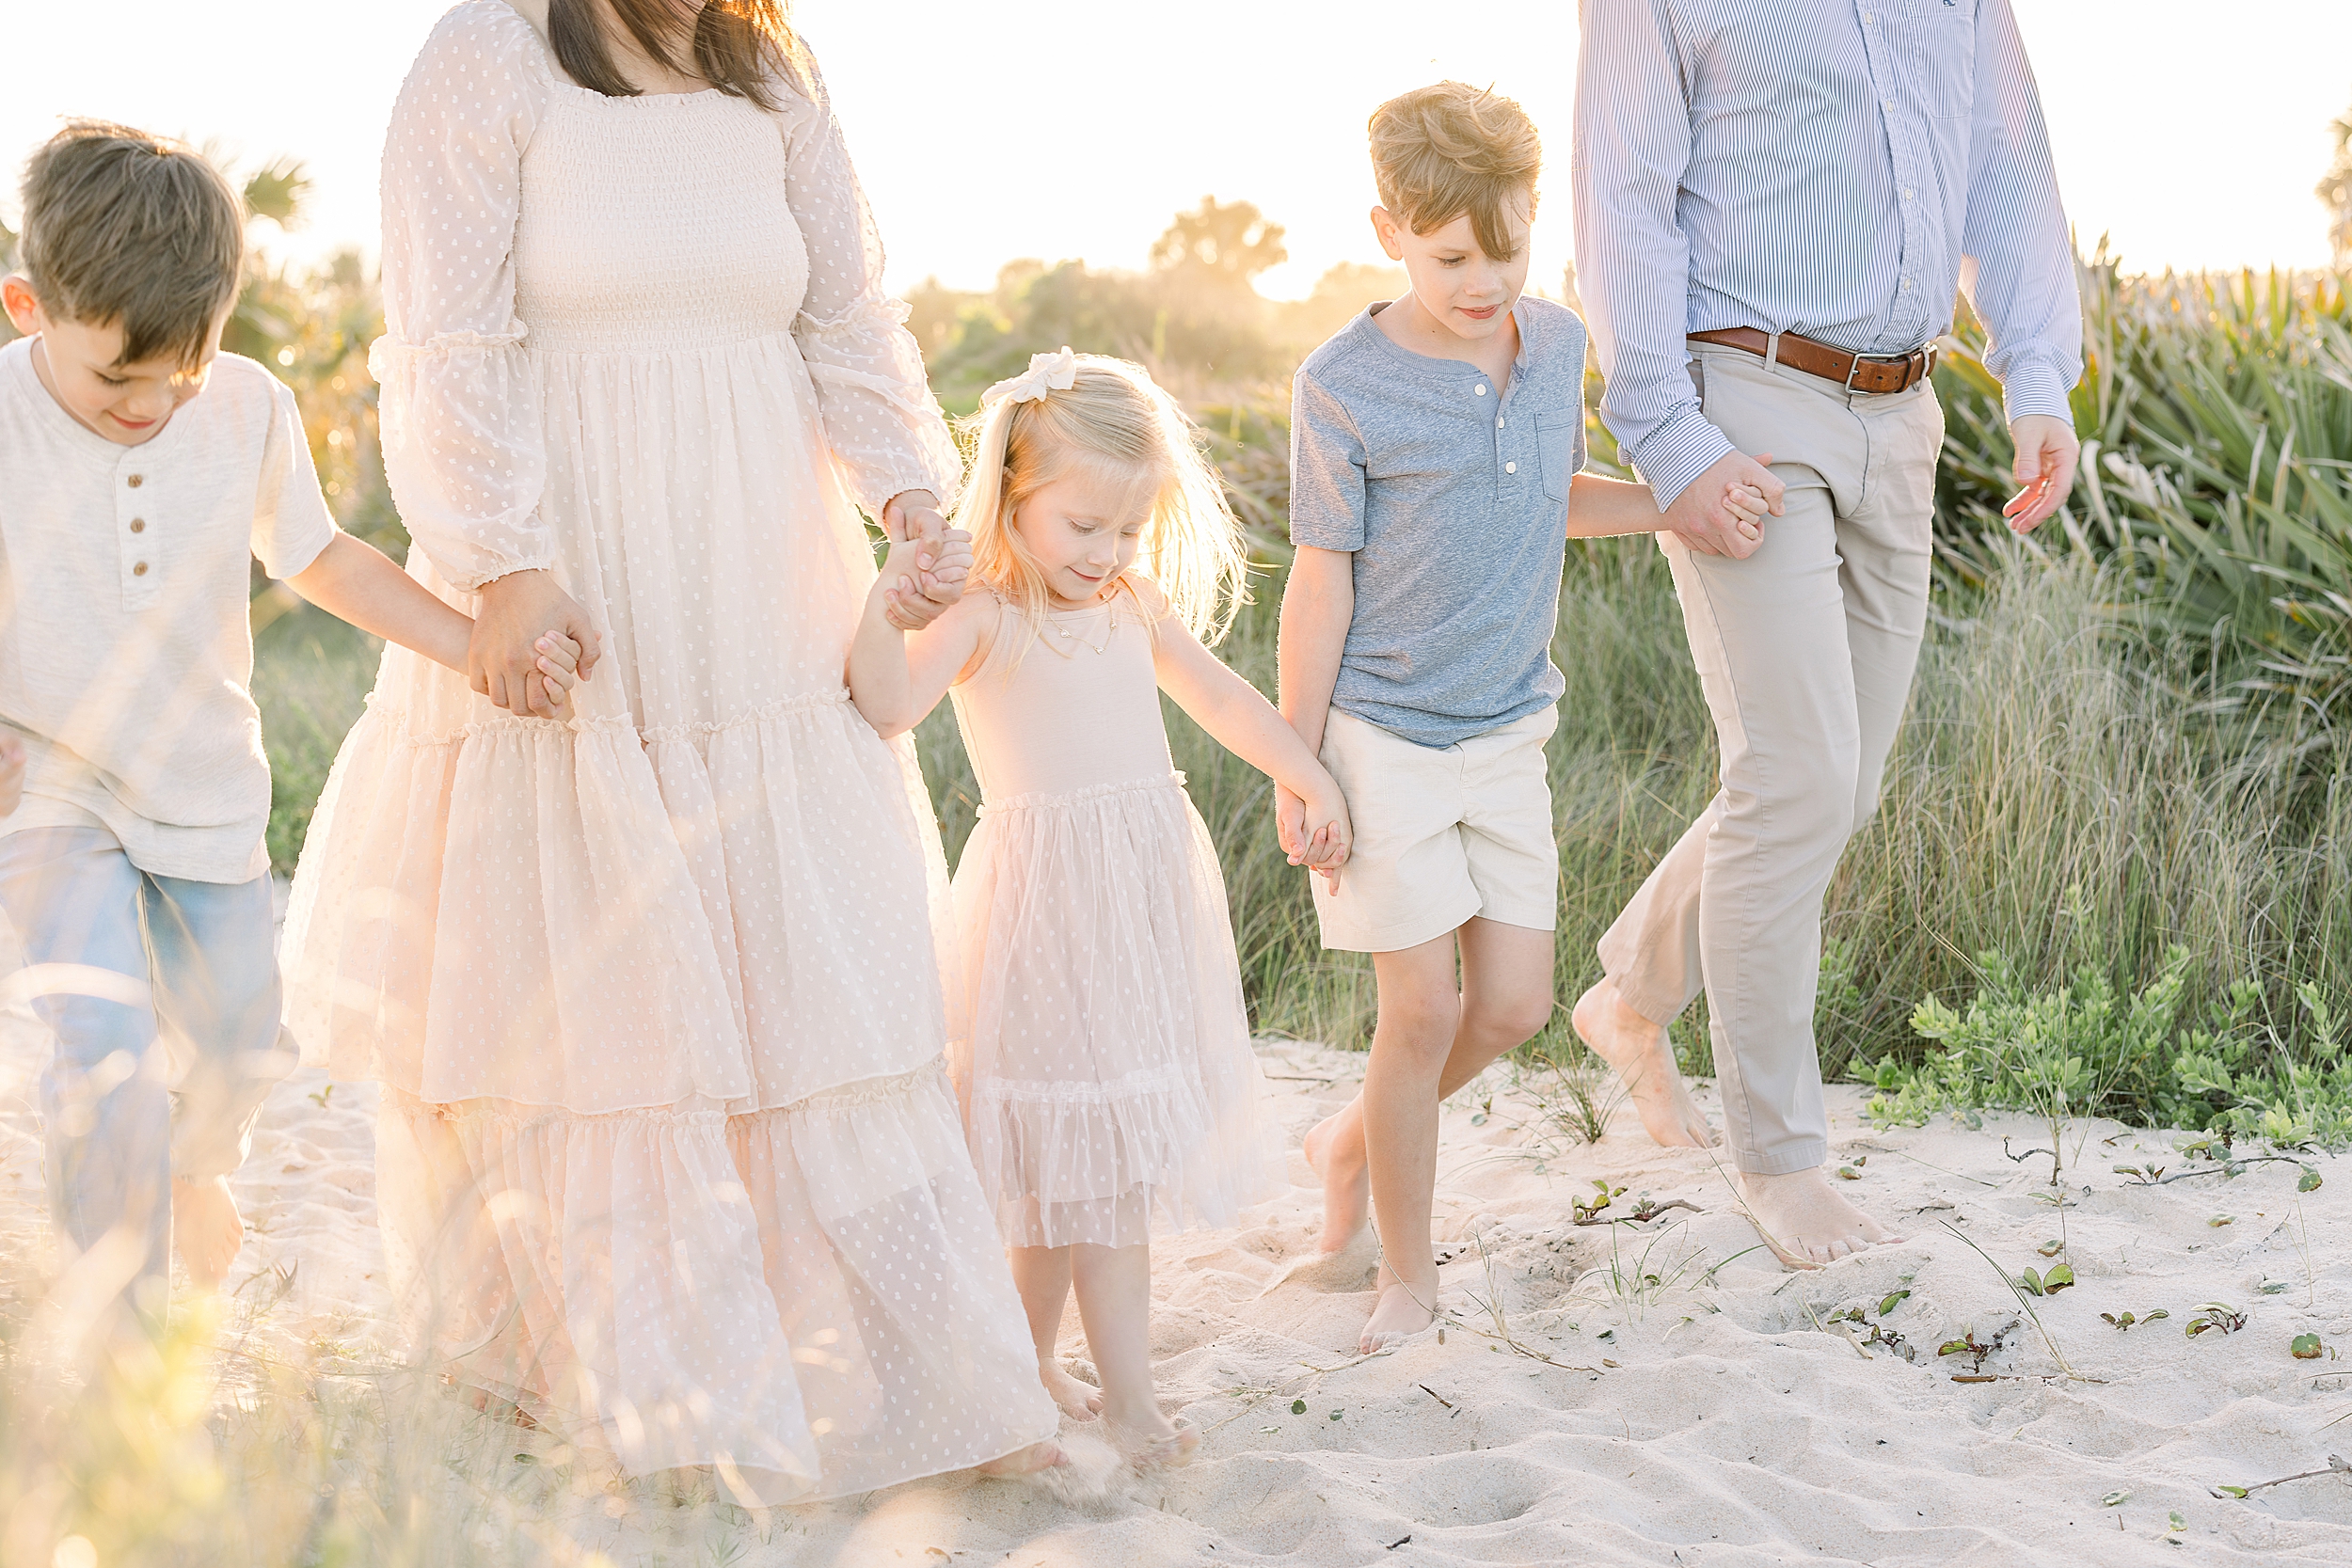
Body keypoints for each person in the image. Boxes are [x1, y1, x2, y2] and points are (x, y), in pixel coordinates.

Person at [278, 0, 1059, 1497]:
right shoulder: (486, 56)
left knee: (803, 948)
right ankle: (629, 1376)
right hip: (580, 561)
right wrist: (503, 558)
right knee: (599, 977)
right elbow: (446, 341)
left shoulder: (772, 68)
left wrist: (907, 497)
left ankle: (864, 1368)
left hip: (762, 564)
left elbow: (847, 314)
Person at [0, 122, 562, 1323]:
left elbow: (320, 559)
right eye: (117, 380)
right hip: (49, 783)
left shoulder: (245, 406)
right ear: (27, 304)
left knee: (241, 1036)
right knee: (102, 1050)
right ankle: (123, 1339)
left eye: (181, 373)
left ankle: (195, 1169)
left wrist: (468, 645)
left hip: (204, 780)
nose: (153, 402)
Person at [1571, 0, 2082, 1265]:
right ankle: (1780, 1157)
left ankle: (1631, 994)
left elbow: (2010, 166)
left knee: (1834, 786)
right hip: (1742, 399)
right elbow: (1620, 196)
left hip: (1904, 411)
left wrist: (2037, 373)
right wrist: (1670, 438)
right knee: (1794, 774)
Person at [1277, 84, 1770, 1353]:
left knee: (1511, 1003)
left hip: (1508, 729)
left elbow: (1546, 492)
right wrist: (1299, 762)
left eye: (1507, 248)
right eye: (1451, 258)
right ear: (1390, 228)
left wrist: (1671, 502)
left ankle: (1350, 1138)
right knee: (1424, 1010)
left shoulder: (1551, 347)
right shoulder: (1341, 385)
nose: (1484, 280)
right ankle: (1404, 1273)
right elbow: (1319, 577)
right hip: (1381, 729)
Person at [848, 349, 1351, 1463]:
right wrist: (884, 606)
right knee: (1075, 1167)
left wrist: (1302, 770)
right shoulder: (982, 613)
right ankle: (1123, 1402)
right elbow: (882, 704)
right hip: (1038, 916)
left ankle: (1033, 1369)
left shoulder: (1132, 601)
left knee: (1082, 1160)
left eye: (1128, 530)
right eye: (1083, 525)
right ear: (1012, 495)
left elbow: (1218, 696)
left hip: (1135, 904)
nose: (1107, 553)